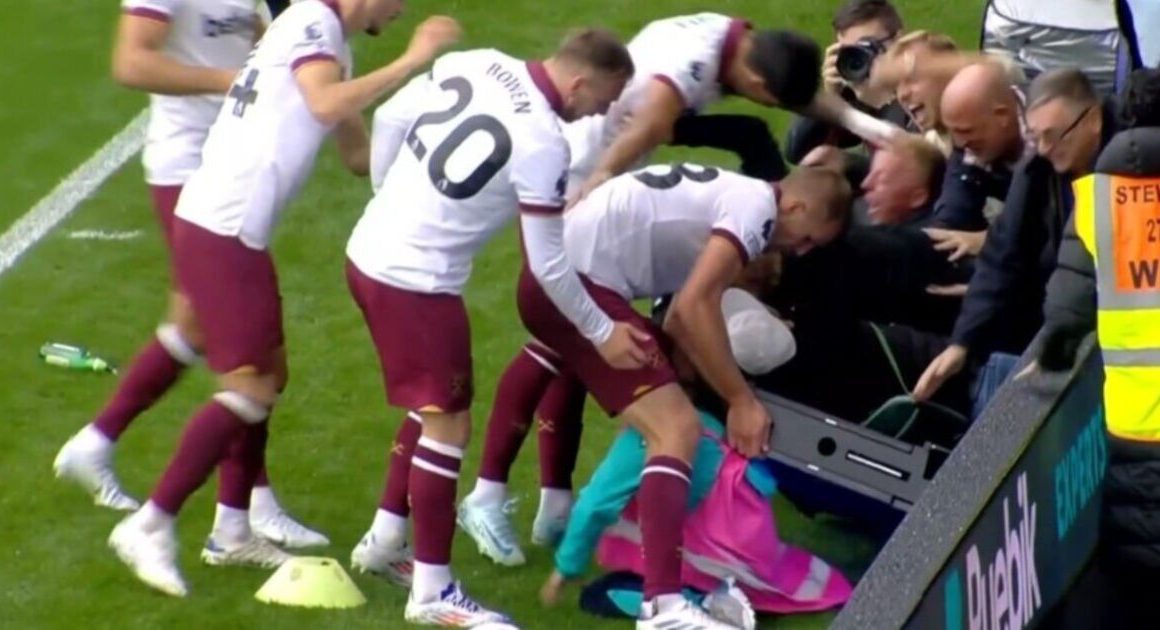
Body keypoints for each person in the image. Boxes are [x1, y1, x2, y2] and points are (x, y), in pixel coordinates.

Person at [105, 0, 460, 598]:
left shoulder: (327, 40)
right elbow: (324, 103)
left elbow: (356, 158)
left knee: (271, 373)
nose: (402, 9)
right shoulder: (313, 25)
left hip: (233, 228)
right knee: (249, 386)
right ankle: (151, 523)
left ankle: (232, 529)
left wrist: (433, 145)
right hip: (223, 227)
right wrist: (416, 59)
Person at [343, 29, 634, 626]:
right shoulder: (544, 143)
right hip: (417, 282)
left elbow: (396, 114)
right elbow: (549, 263)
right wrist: (602, 331)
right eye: (602, 101)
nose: (600, 113)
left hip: (368, 252)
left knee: (429, 408)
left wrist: (383, 193)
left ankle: (384, 540)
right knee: (449, 426)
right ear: (578, 82)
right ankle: (432, 592)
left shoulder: (475, 61)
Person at [510, 162, 850, 629]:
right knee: (677, 428)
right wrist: (741, 400)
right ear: (796, 205)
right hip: (573, 283)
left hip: (564, 277)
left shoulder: (740, 199)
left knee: (673, 426)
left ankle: (659, 589)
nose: (800, 250)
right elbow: (693, 307)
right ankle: (663, 605)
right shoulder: (756, 211)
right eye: (809, 237)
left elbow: (676, 323)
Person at [52, 0, 326, 549]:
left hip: (233, 168)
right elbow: (131, 62)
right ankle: (244, 509)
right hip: (191, 170)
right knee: (257, 357)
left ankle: (98, 443)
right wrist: (232, 81)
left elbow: (265, 37)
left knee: (202, 330)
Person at [912, 68, 1123, 410]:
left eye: (1055, 136)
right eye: (1037, 136)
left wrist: (1058, 343)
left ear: (1093, 120)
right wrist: (962, 343)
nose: (1044, 149)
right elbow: (1003, 254)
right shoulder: (1040, 167)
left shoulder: (1130, 167)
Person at [566, 15, 824, 203]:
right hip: (589, 159)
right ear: (758, 86)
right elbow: (651, 126)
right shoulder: (695, 61)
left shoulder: (727, 36)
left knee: (750, 134)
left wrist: (860, 125)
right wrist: (600, 176)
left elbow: (806, 98)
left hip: (617, 138)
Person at [784, 0, 912, 180]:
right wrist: (829, 98)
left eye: (868, 46)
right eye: (849, 51)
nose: (861, 57)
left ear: (898, 39)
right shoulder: (857, 89)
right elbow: (797, 152)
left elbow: (917, 164)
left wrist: (883, 103)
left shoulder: (926, 83)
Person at [933, 62, 1032, 232]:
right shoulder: (970, 141)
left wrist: (989, 242)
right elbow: (953, 214)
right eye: (953, 132)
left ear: (1002, 116)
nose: (960, 142)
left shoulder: (1053, 132)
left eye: (965, 131)